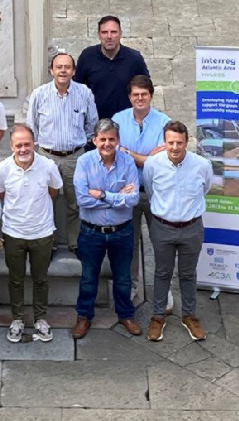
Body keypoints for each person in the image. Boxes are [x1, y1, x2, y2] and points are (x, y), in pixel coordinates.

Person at [143, 121, 214, 342]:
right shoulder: (153, 164)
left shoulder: (202, 165)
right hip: (162, 227)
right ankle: (157, 316)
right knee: (162, 272)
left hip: (191, 228)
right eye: (170, 142)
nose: (174, 147)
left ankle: (189, 316)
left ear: (187, 142)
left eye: (179, 143)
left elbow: (206, 188)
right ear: (164, 142)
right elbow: (150, 188)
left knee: (188, 273)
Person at [72, 119, 141, 339]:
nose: (107, 143)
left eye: (112, 139)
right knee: (89, 278)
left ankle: (126, 315)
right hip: (92, 232)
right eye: (103, 139)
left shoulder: (128, 162)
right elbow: (83, 200)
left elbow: (133, 200)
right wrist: (117, 196)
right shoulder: (84, 162)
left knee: (123, 278)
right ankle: (84, 317)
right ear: (94, 140)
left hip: (122, 231)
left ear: (118, 141)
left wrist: (102, 194)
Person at [0, 123, 61, 344]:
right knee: (16, 280)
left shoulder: (48, 166)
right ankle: (18, 320)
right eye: (18, 145)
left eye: (27, 144)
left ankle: (41, 319)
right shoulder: (3, 169)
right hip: (13, 233)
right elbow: (0, 196)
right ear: (11, 146)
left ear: (34, 144)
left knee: (41, 279)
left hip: (42, 233)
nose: (23, 149)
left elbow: (54, 191)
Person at [24, 52, 97, 251]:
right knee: (47, 201)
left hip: (75, 157)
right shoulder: (39, 95)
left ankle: (75, 243)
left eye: (67, 67)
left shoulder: (84, 93)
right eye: (59, 67)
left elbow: (92, 125)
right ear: (51, 70)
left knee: (77, 202)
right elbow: (32, 127)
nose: (63, 71)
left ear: (73, 71)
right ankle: (50, 242)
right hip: (47, 157)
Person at [110, 74, 171, 293]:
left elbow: (160, 160)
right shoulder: (118, 119)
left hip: (155, 192)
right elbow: (115, 153)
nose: (140, 98)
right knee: (129, 245)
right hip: (127, 191)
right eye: (135, 94)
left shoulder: (164, 122)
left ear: (151, 96)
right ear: (129, 97)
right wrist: (145, 157)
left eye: (144, 94)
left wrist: (129, 153)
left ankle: (164, 291)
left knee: (162, 244)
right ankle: (132, 287)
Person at [74, 15, 151, 120]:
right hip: (95, 124)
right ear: (98, 35)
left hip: (127, 123)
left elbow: (146, 89)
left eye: (114, 32)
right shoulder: (87, 57)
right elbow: (76, 89)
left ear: (120, 34)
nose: (109, 36)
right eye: (104, 32)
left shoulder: (134, 58)